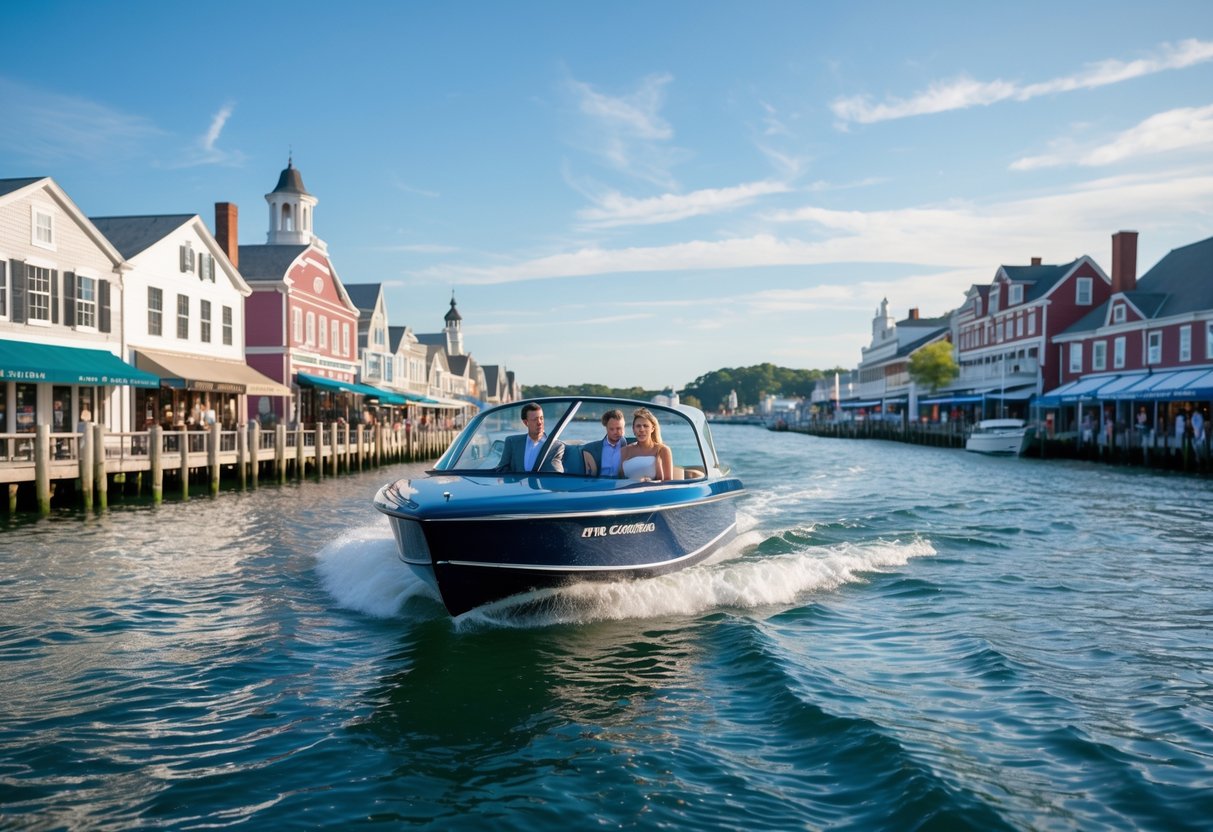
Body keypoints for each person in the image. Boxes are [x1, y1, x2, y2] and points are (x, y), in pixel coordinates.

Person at [495, 402, 565, 473]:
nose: (539, 422)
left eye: (541, 418)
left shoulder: (556, 446)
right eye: (535, 419)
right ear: (526, 422)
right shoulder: (512, 442)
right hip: (516, 484)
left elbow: (557, 476)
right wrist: (517, 481)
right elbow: (501, 470)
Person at [620, 407, 673, 481]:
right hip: (625, 491)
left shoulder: (663, 450)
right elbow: (617, 480)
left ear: (652, 429)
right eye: (638, 426)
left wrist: (648, 482)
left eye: (645, 426)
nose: (641, 429)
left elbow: (668, 483)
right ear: (633, 429)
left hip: (651, 491)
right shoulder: (624, 451)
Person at [583, 409, 629, 477]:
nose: (615, 432)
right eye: (611, 429)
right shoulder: (591, 449)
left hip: (621, 485)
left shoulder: (632, 447)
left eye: (619, 428)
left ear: (624, 428)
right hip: (600, 485)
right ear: (606, 428)